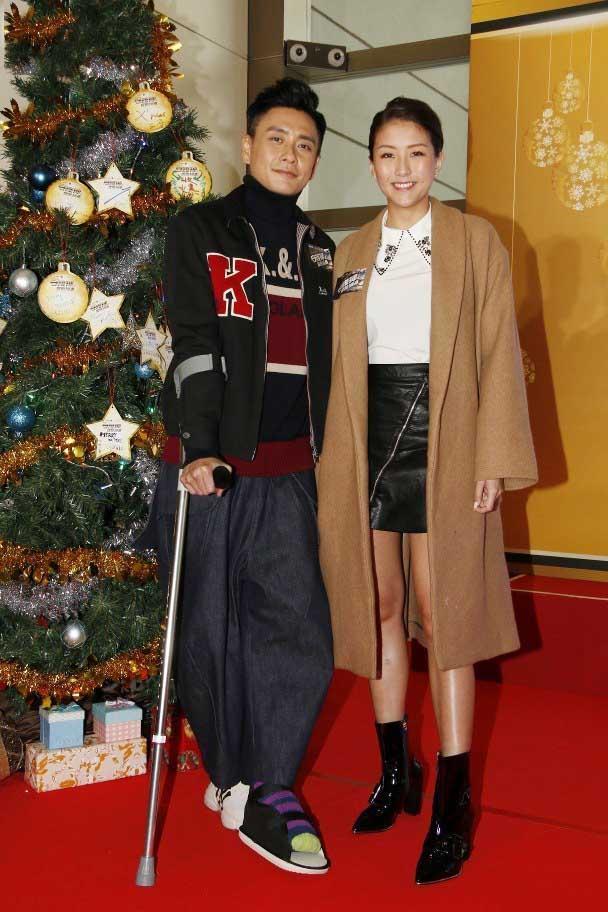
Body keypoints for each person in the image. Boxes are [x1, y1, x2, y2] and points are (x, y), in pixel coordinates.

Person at [316, 97, 537, 885]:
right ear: (371, 163)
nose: (402, 168)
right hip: (366, 440)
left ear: (438, 160)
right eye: (387, 154)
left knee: (444, 617)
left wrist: (493, 459)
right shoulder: (350, 251)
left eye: (416, 153)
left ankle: (453, 795)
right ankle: (393, 771)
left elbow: (498, 352)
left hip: (447, 435)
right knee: (376, 604)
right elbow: (334, 365)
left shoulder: (475, 242)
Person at [144, 78, 335, 875]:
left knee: (299, 632)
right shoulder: (202, 229)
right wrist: (198, 446)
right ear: (248, 145)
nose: (290, 154)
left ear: (315, 160)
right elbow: (191, 340)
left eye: (305, 145)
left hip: (289, 473)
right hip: (210, 471)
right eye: (277, 138)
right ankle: (230, 774)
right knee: (210, 632)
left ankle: (270, 784)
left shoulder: (323, 251)